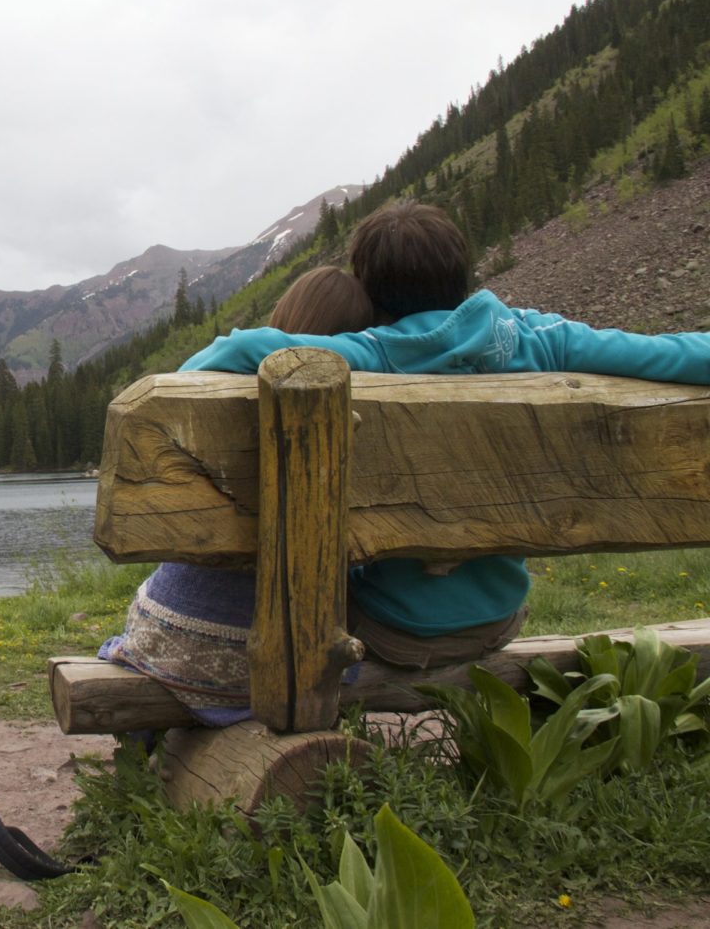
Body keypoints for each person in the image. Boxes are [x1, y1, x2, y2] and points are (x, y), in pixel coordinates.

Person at [184, 199, 710, 669]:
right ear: (463, 274)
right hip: (498, 618)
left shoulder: (372, 354)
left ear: (370, 289)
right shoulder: (541, 340)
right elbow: (674, 354)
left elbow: (233, 352)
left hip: (389, 628)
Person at [98, 266, 374, 725]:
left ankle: (150, 747)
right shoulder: (373, 405)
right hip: (314, 649)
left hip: (175, 642)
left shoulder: (231, 387)